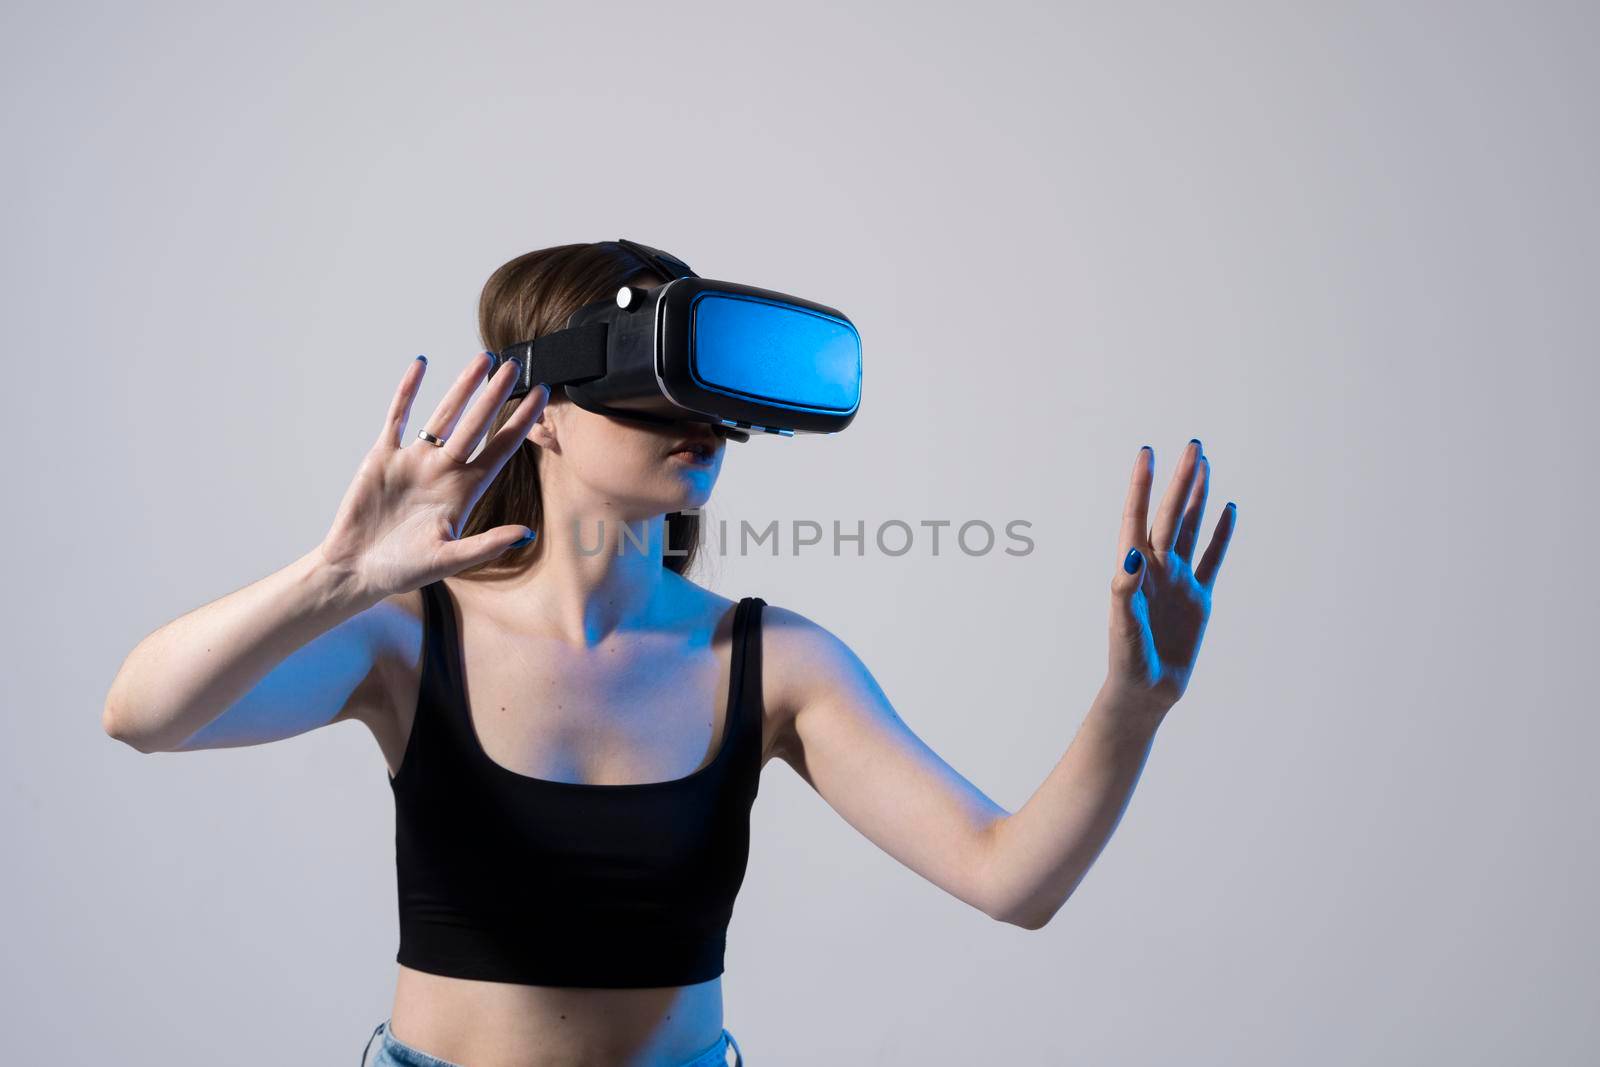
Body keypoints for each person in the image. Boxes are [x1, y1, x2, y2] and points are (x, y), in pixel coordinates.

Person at [101, 241, 1237, 1067]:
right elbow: (146, 712)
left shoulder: (774, 660)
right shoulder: (403, 635)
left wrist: (1132, 705)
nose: (695, 420)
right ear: (540, 407)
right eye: (647, 387)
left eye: (705, 395)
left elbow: (1010, 877)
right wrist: (334, 578)